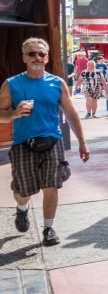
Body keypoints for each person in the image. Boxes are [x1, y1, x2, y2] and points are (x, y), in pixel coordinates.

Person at [0, 38, 89, 246]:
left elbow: (71, 114)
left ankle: (49, 228)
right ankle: (22, 208)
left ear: (47, 57)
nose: (37, 58)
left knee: (52, 185)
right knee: (24, 191)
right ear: (24, 57)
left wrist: (82, 143)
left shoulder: (57, 83)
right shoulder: (12, 84)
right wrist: (13, 113)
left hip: (52, 139)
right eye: (32, 54)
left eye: (41, 54)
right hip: (23, 142)